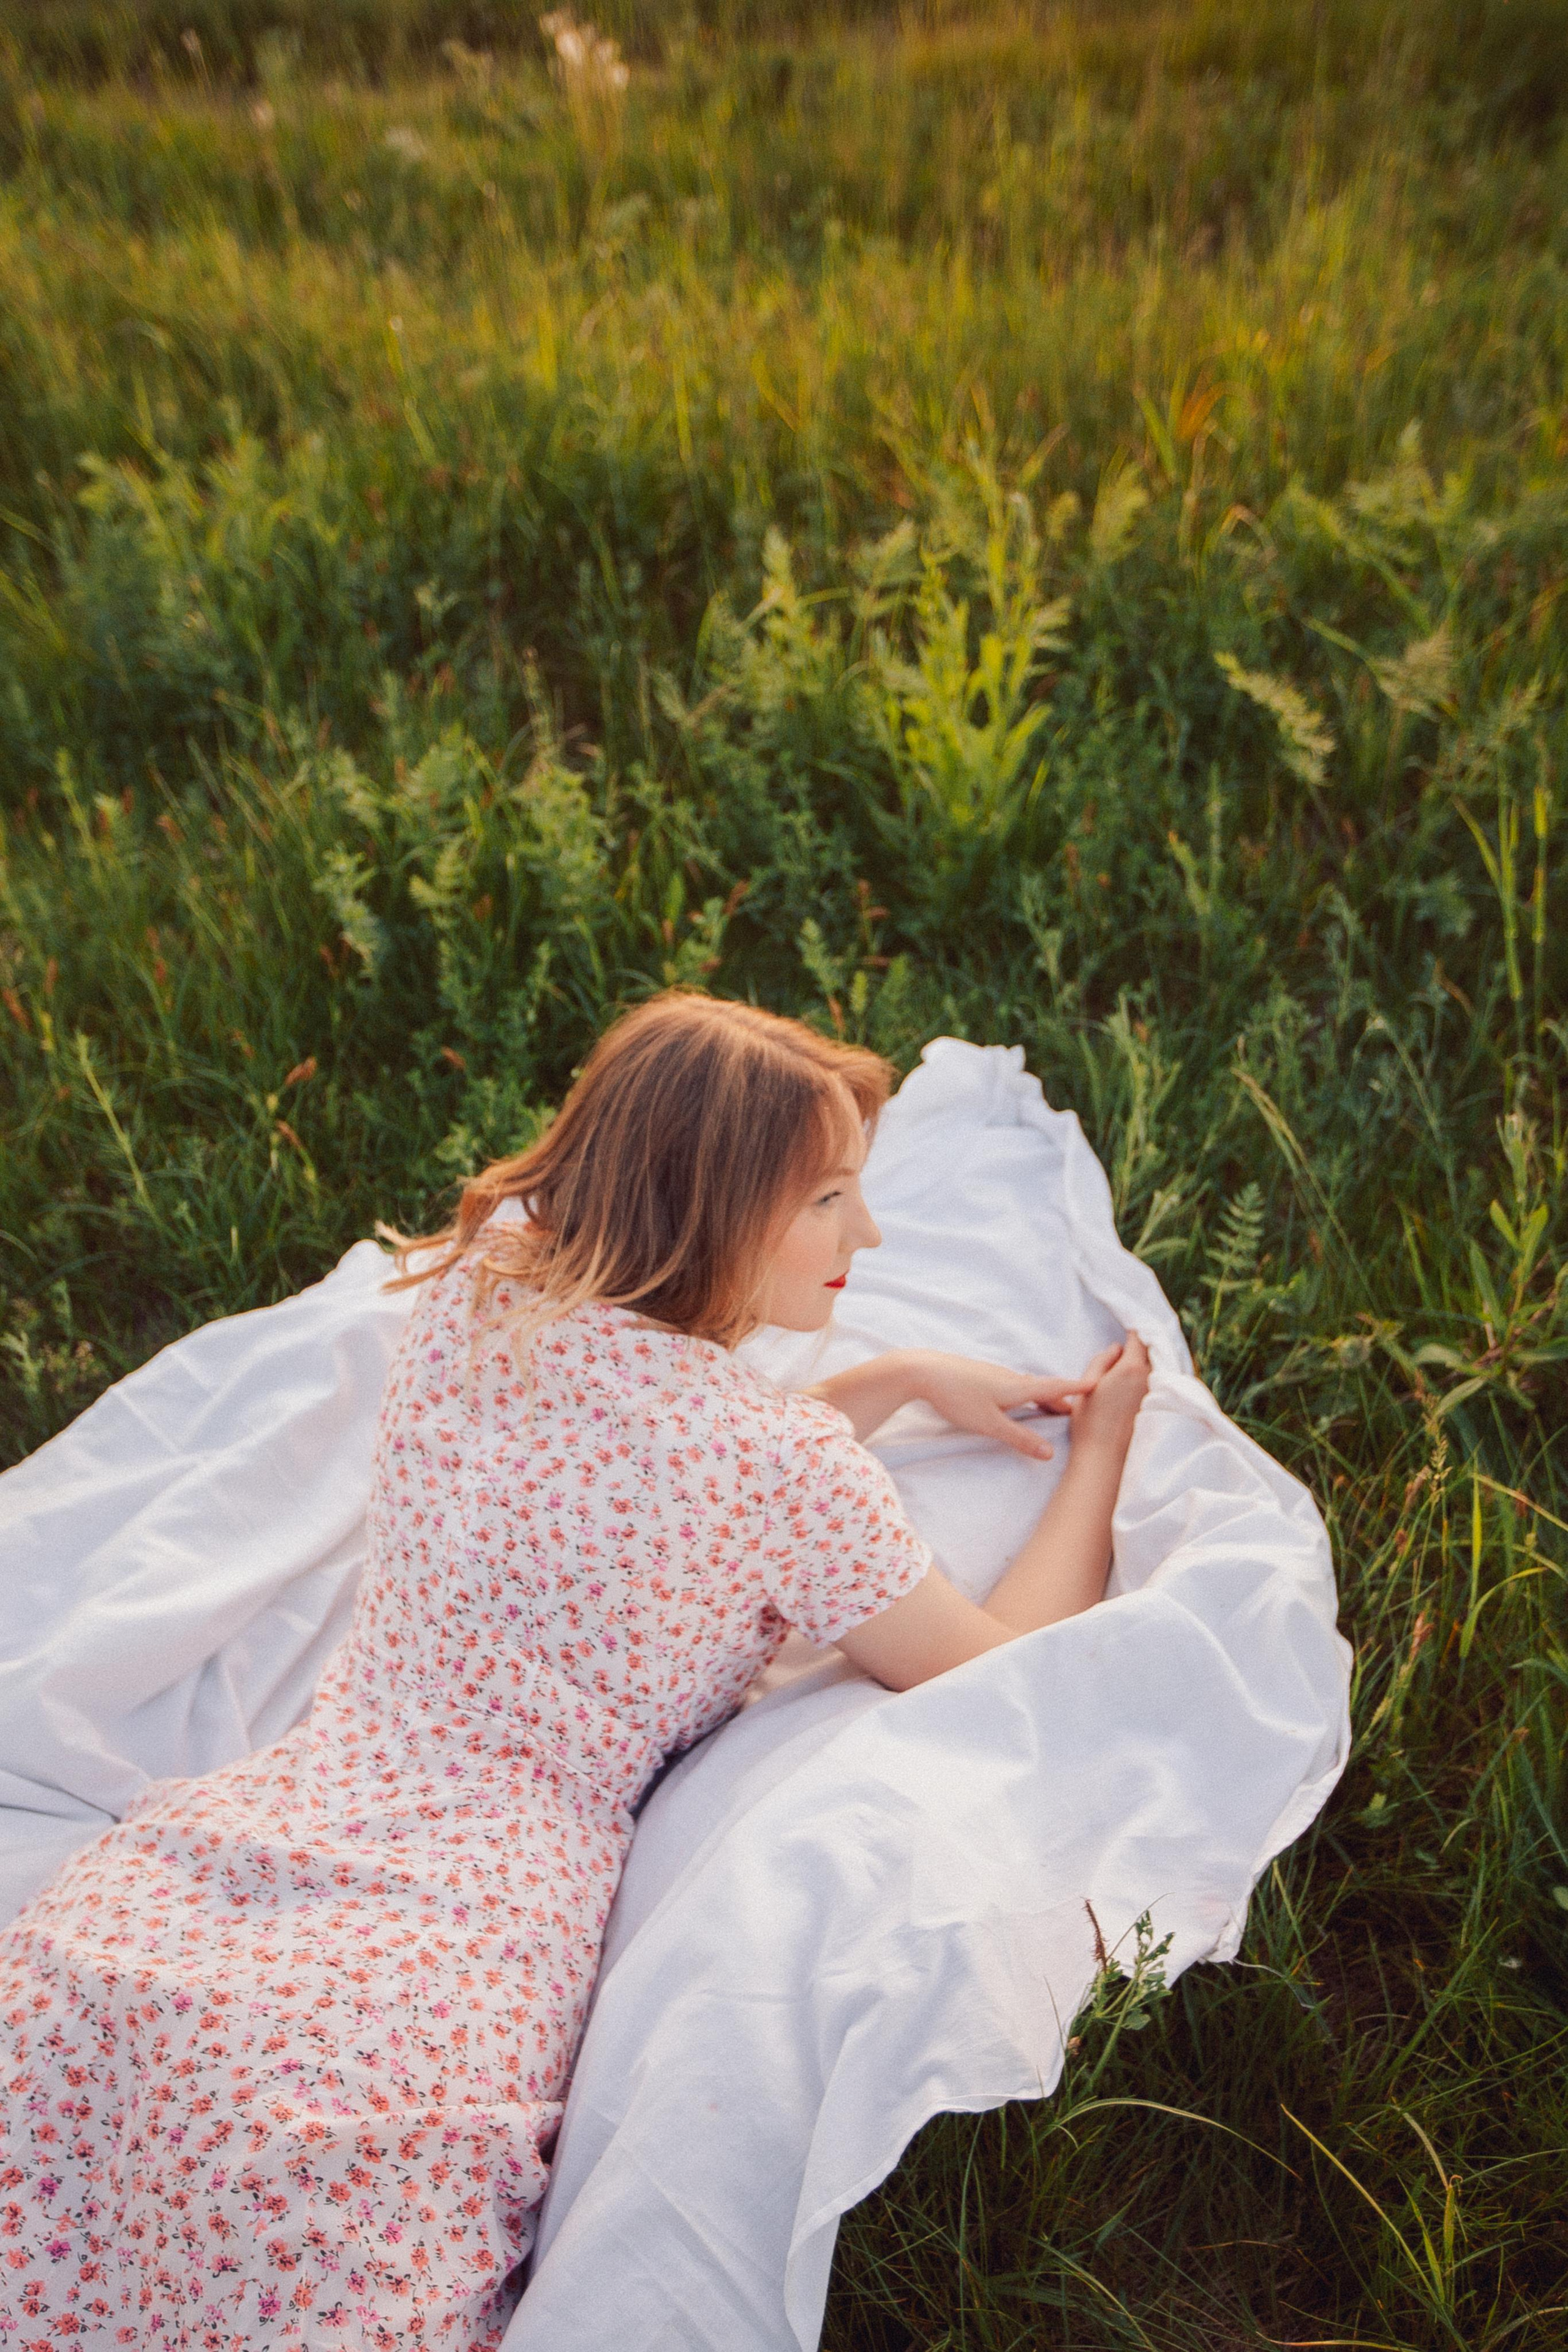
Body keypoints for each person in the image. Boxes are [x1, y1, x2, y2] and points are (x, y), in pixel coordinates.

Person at [0, 993, 1150, 2349]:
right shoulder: (777, 1469)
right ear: (713, 1204)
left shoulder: (486, 1287)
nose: (869, 1235)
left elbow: (663, 1459)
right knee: (312, 2190)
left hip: (265, 1827)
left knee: (100, 2097)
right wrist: (1100, 1454)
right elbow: (993, 1663)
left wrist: (890, 1377)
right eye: (829, 1199)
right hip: (470, 1915)